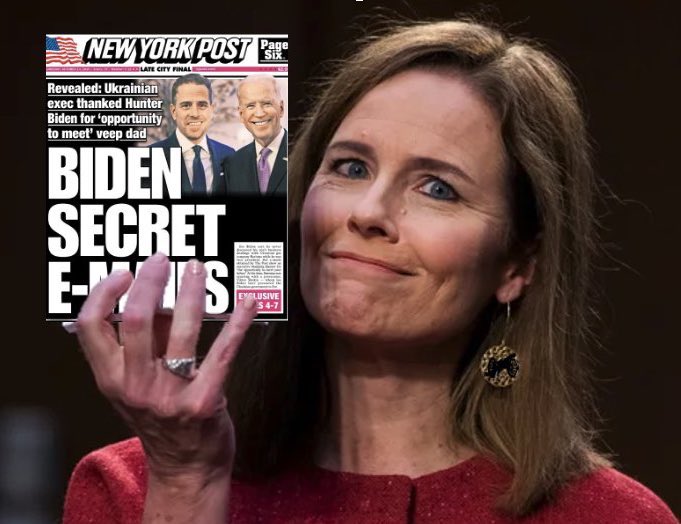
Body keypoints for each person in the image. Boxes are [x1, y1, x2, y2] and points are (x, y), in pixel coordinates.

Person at [63, 20, 679, 523]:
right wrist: (186, 484)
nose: (368, 213)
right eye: (351, 168)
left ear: (518, 265)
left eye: (437, 188)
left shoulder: (612, 517)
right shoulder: (129, 490)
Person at [151, 73, 235, 197]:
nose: (194, 113)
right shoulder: (150, 156)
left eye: (202, 105)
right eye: (186, 105)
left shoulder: (229, 155)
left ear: (211, 110)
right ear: (173, 111)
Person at [223, 75, 287, 196]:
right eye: (250, 106)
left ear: (281, 108)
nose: (259, 113)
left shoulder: (300, 151)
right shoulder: (232, 164)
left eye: (267, 104)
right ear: (241, 115)